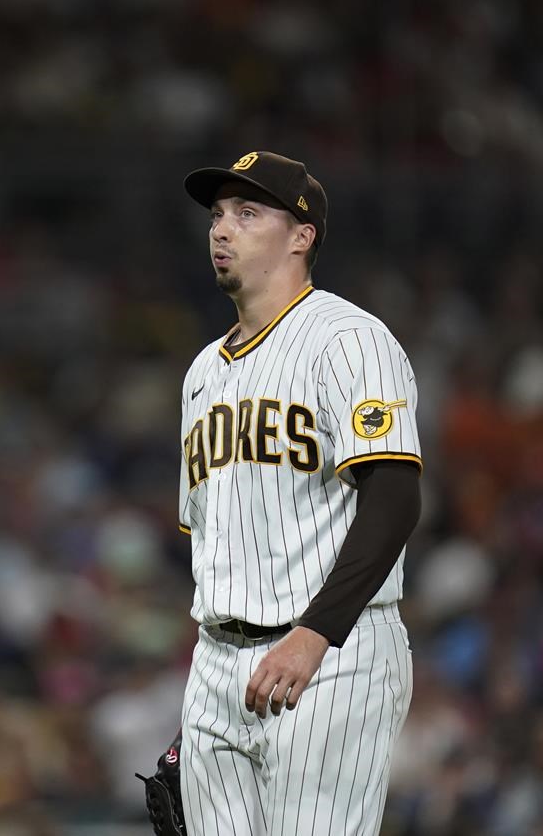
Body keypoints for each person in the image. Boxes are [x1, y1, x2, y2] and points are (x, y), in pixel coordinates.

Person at [174, 151, 422, 835]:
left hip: (330, 653)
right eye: (218, 215)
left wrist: (315, 634)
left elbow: (396, 496)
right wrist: (209, 678)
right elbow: (211, 540)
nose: (222, 229)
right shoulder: (201, 374)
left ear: (302, 235)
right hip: (218, 661)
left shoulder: (348, 340)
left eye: (248, 214)